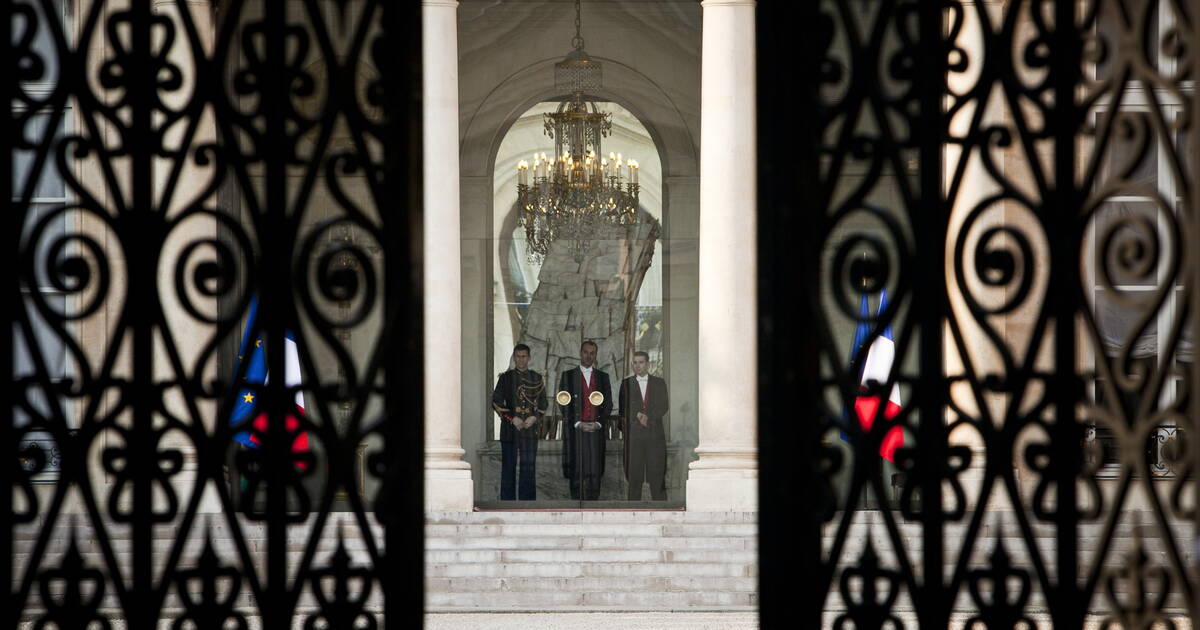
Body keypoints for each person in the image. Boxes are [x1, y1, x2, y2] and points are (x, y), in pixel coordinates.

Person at [558, 340, 613, 500]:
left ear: (595, 355)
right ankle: (576, 508)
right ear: (580, 353)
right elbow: (563, 403)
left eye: (592, 353)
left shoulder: (603, 377)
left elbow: (608, 403)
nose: (588, 356)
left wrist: (597, 423)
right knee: (576, 471)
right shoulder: (567, 376)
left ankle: (594, 510)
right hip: (576, 431)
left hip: (596, 431)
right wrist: (577, 423)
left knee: (595, 472)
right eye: (585, 352)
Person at [491, 344, 547, 500]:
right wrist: (511, 418)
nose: (521, 359)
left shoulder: (537, 378)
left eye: (524, 356)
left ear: (529, 358)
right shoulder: (505, 378)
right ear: (514, 357)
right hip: (510, 431)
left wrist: (534, 417)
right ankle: (507, 504)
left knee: (528, 468)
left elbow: (543, 404)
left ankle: (527, 504)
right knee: (508, 468)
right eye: (518, 356)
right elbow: (496, 401)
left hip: (530, 431)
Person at [617, 351, 669, 500]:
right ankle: (633, 511)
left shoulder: (659, 383)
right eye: (635, 363)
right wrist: (637, 415)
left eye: (641, 362)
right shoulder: (626, 384)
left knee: (657, 475)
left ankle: (662, 510)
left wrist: (649, 416)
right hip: (635, 437)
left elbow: (664, 405)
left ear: (648, 364)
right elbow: (623, 408)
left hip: (655, 436)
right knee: (634, 476)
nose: (638, 366)